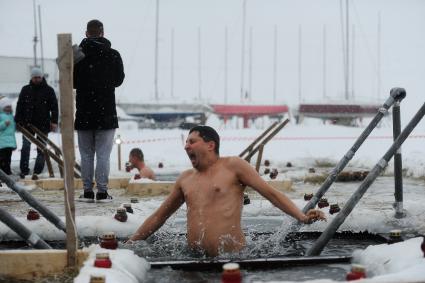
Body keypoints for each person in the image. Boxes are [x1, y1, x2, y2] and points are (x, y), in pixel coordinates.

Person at [129, 126, 325, 256]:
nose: (186, 146)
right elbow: (159, 216)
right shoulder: (185, 179)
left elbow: (271, 193)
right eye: (186, 142)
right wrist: (130, 243)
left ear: (210, 145)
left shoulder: (233, 166)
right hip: (194, 260)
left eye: (192, 141)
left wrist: (302, 217)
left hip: (232, 260)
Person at [73, 19, 125, 202]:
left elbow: (70, 81)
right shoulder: (113, 55)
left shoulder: (77, 55)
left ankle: (87, 192)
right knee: (103, 154)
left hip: (84, 112)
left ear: (86, 33)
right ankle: (102, 192)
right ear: (102, 33)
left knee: (86, 154)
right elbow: (119, 80)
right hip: (106, 113)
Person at [15, 67, 58, 180]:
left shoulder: (49, 90)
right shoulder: (25, 90)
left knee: (42, 149)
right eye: (35, 77)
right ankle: (24, 171)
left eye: (39, 77)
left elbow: (54, 108)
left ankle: (37, 172)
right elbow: (20, 106)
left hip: (43, 125)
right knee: (25, 147)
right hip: (27, 124)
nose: (37, 79)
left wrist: (54, 121)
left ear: (42, 77)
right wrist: (18, 120)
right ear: (31, 78)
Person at [0, 97, 17, 175]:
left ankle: (7, 171)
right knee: (2, 158)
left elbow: (13, 128)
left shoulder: (11, 116)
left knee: (8, 158)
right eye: (6, 107)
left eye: (9, 107)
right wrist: (4, 124)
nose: (8, 109)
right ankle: (4, 172)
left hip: (10, 142)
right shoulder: (1, 116)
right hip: (2, 142)